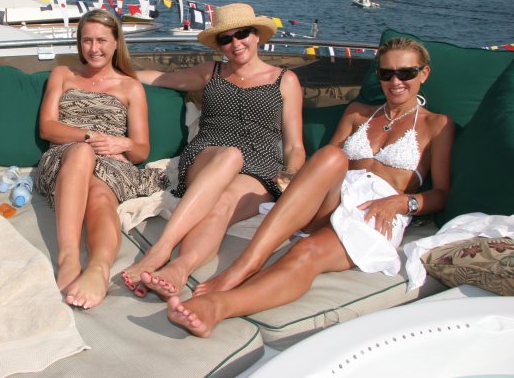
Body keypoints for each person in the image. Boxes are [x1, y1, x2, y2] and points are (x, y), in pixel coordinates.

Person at [167, 37, 455, 337]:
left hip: (374, 209)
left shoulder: (438, 125)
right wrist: (293, 179)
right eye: (386, 74)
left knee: (306, 251)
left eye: (406, 73)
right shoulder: (358, 112)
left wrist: (403, 203)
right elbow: (325, 167)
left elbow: (442, 194)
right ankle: (246, 265)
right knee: (332, 155)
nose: (395, 81)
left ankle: (218, 306)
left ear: (423, 74)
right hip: (332, 196)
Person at [121, 3, 305, 299]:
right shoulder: (212, 72)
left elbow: (295, 144)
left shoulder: (285, 80)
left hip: (260, 166)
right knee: (230, 155)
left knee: (223, 205)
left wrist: (292, 178)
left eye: (242, 34)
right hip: (209, 152)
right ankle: (161, 251)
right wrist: (113, 72)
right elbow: (161, 79)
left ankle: (179, 269)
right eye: (226, 38)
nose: (235, 43)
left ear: (257, 35)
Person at [36, 9, 167, 309]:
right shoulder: (63, 75)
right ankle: (68, 256)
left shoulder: (130, 87)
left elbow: (141, 150)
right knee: (82, 153)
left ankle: (98, 267)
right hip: (63, 154)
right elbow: (47, 127)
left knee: (99, 196)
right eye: (86, 41)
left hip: (111, 161)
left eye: (101, 41)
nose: (94, 49)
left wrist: (122, 142)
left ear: (116, 42)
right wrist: (87, 137)